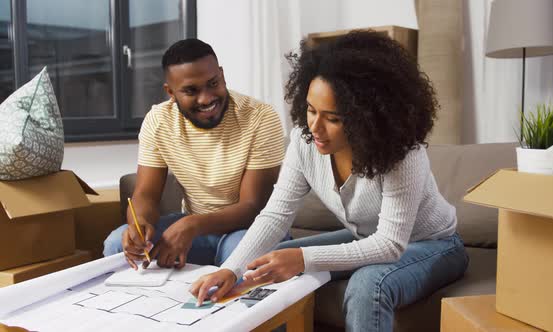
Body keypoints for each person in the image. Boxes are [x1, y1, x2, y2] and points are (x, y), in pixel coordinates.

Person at [190, 30, 470, 331]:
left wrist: (302, 258)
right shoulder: (304, 142)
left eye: (333, 118)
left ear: (367, 116)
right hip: (366, 239)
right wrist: (231, 269)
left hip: (435, 244)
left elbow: (390, 244)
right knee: (270, 263)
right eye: (311, 110)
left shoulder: (402, 154)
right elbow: (276, 215)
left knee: (367, 284)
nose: (315, 127)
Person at [103, 38, 285, 270]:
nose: (206, 98)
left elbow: (253, 206)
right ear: (170, 92)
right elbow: (145, 194)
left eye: (213, 83)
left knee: (239, 256)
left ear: (222, 75)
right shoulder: (159, 121)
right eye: (191, 90)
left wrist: (192, 225)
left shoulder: (260, 117)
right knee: (116, 246)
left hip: (251, 228)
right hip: (196, 229)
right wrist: (139, 223)